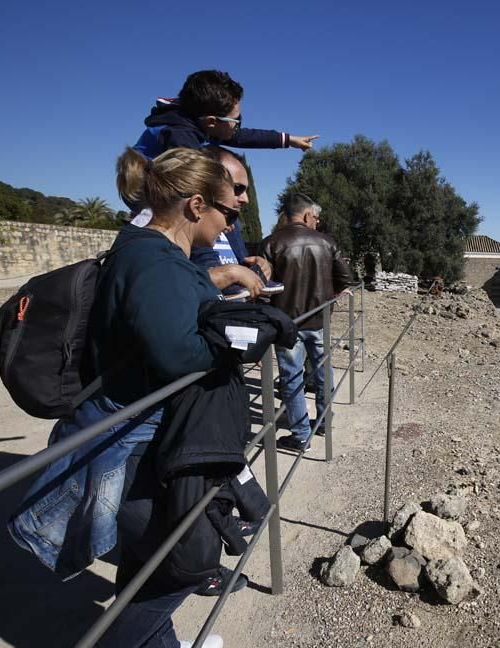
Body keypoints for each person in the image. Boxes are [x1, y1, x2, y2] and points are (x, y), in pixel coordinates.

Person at [11, 147, 237, 648]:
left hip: (128, 430)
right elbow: (178, 353)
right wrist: (231, 343)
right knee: (184, 564)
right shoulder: (155, 261)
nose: (231, 224)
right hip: (126, 440)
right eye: (230, 212)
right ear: (197, 206)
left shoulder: (147, 251)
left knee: (146, 555)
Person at [262, 193, 351, 452]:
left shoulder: (271, 243)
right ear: (306, 215)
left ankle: (301, 436)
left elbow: (264, 288)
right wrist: (330, 297)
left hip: (287, 323)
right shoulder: (326, 242)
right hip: (319, 320)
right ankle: (324, 422)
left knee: (291, 377)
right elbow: (345, 277)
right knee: (324, 370)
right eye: (315, 216)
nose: (317, 221)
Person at [133, 70, 316, 160]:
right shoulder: (180, 134)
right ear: (212, 121)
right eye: (236, 121)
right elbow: (191, 178)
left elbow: (246, 137)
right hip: (140, 189)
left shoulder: (201, 123)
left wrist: (290, 140)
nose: (239, 126)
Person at [190, 145, 279, 300]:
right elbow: (171, 286)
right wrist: (230, 274)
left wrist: (257, 268)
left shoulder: (233, 225)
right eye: (237, 188)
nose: (246, 199)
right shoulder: (164, 236)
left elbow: (239, 274)